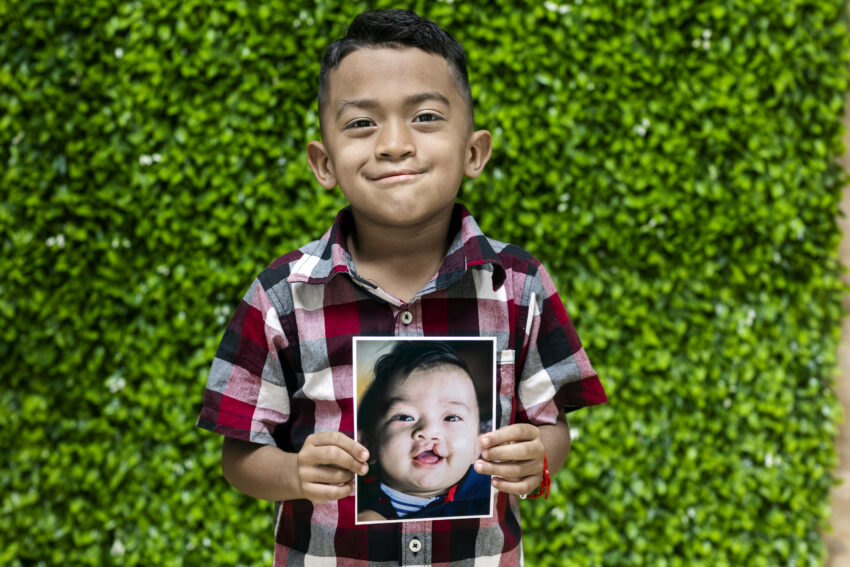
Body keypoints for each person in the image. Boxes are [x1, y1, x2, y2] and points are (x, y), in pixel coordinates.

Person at [197, 8, 607, 565]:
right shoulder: (281, 298)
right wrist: (295, 471)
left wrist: (537, 460)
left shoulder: (518, 285)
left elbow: (551, 429)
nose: (394, 144)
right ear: (324, 163)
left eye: (426, 117)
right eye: (362, 124)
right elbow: (239, 456)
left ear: (473, 152)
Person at [356, 340, 492, 522]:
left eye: (451, 417)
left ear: (477, 447)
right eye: (405, 417)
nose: (429, 431)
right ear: (367, 445)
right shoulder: (351, 493)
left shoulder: (488, 496)